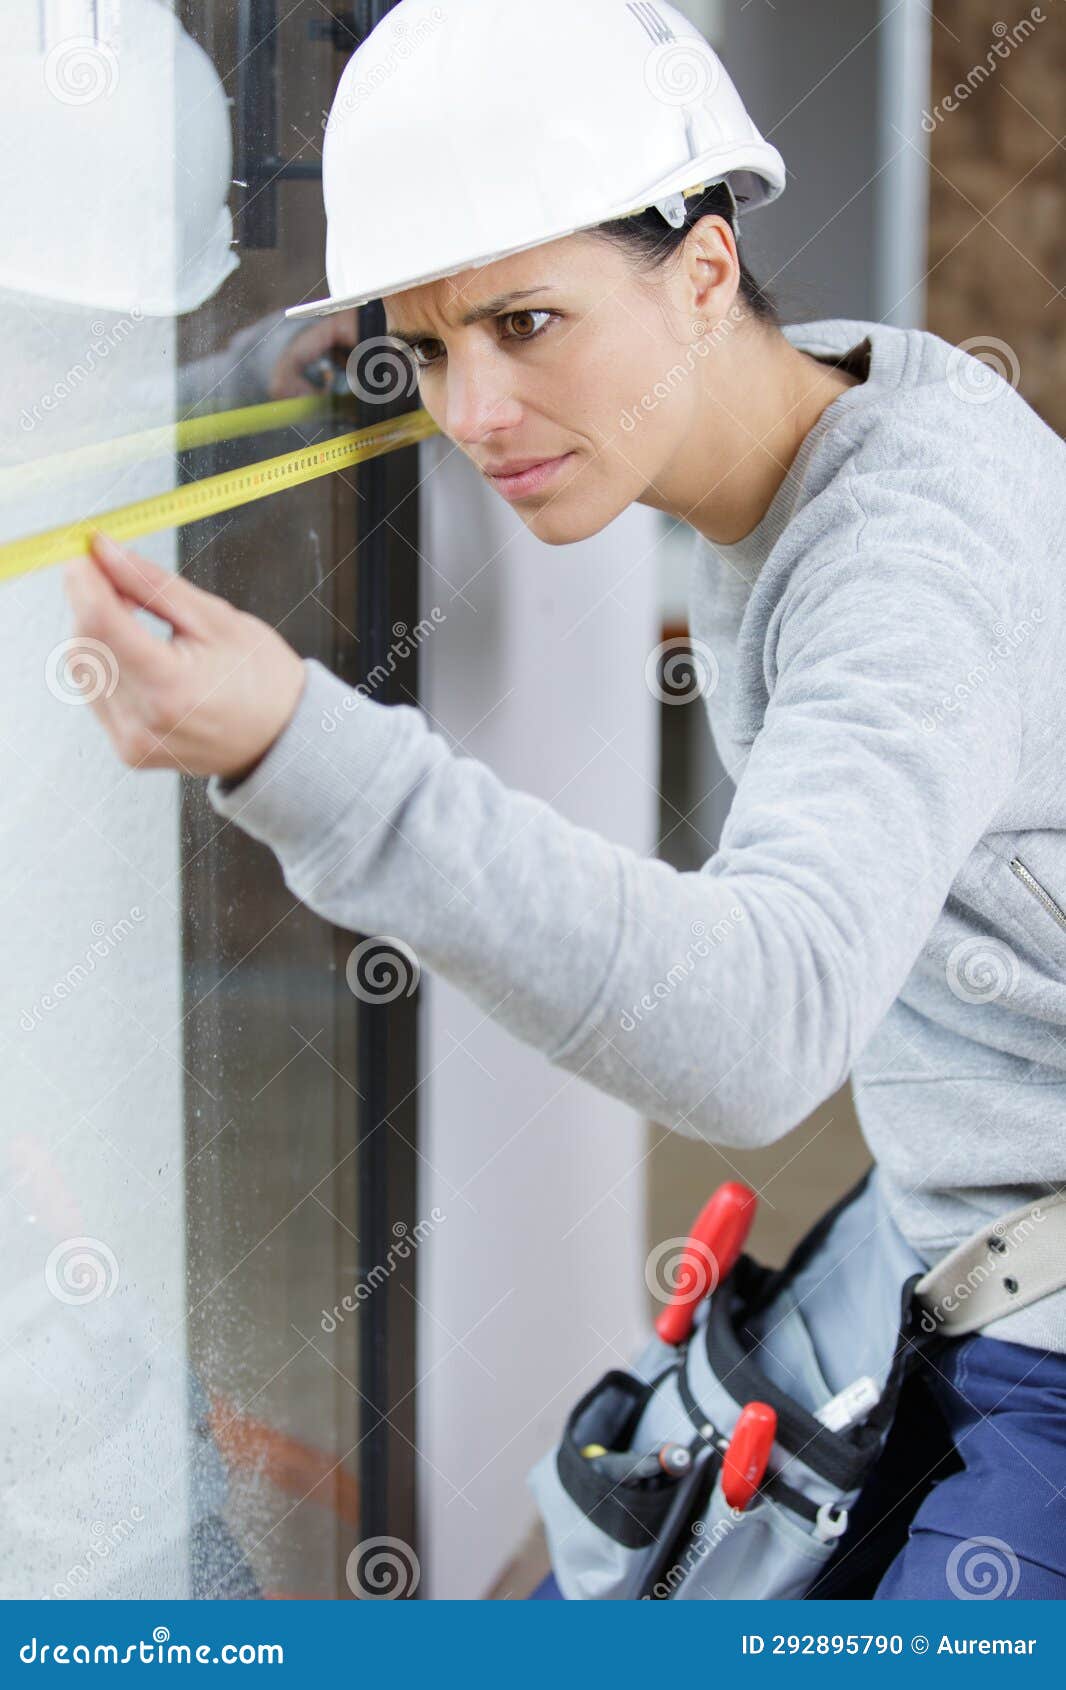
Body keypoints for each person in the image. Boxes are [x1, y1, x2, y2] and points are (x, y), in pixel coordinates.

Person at [62, 0, 1066, 1598]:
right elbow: (442, 345)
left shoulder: (908, 561)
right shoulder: (813, 410)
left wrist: (294, 750)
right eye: (430, 344)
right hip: (944, 1213)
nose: (470, 418)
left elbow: (760, 1023)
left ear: (707, 267)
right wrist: (113, 400)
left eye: (526, 326)